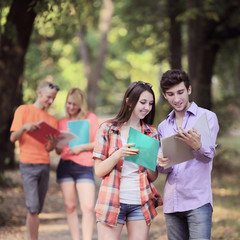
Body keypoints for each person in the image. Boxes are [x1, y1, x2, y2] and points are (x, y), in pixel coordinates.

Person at [93, 81, 162, 240]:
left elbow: (153, 176)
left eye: (150, 103)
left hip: (140, 202)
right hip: (111, 201)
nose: (147, 107)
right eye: (142, 102)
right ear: (129, 101)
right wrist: (119, 154)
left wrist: (148, 159)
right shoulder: (108, 129)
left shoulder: (151, 133)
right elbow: (98, 171)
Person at [157, 69, 219, 240]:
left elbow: (208, 156)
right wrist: (161, 163)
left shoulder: (207, 117)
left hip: (197, 201)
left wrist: (197, 146)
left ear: (189, 90)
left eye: (180, 92)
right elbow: (164, 170)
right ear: (165, 95)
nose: (176, 99)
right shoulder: (163, 126)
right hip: (172, 203)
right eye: (170, 94)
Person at [10, 81, 60, 240]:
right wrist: (25, 128)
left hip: (44, 165)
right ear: (39, 93)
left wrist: (52, 144)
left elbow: (48, 149)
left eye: (53, 98)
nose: (50, 101)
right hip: (28, 164)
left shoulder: (51, 120)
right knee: (32, 208)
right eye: (48, 97)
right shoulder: (23, 110)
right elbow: (13, 138)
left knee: (36, 209)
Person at [56, 88, 99, 240]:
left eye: (75, 104)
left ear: (81, 105)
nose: (71, 107)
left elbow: (98, 143)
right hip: (65, 166)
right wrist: (59, 144)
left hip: (84, 166)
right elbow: (57, 150)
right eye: (69, 103)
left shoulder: (90, 118)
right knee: (70, 207)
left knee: (88, 207)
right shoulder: (61, 122)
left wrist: (81, 147)